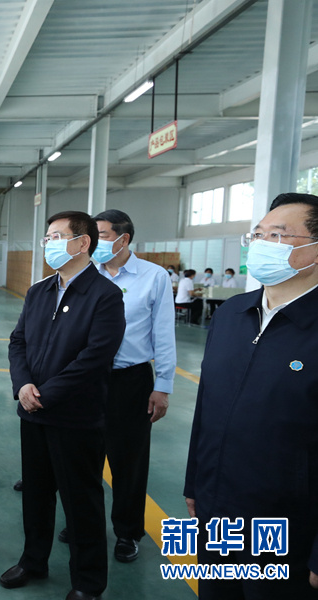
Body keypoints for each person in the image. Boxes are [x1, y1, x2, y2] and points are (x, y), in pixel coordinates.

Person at [184, 192, 318, 599]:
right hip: (217, 511)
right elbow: (207, 408)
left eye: (277, 235)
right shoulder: (232, 314)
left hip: (287, 524)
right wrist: (194, 482)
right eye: (257, 235)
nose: (260, 245)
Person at [1, 210, 125, 600]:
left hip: (75, 418)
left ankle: (88, 582)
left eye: (56, 237)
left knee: (81, 501)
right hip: (33, 413)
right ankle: (33, 560)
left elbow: (95, 358)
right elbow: (18, 342)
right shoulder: (39, 292)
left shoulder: (105, 296)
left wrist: (46, 394)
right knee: (36, 495)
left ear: (82, 242)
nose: (49, 244)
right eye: (48, 238)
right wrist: (23, 385)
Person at [84, 209, 176, 563]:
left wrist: (163, 385)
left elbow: (163, 333)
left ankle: (127, 531)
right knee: (84, 456)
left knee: (129, 461)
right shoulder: (85, 273)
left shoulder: (153, 277)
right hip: (86, 378)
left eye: (103, 235)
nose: (95, 242)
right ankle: (83, 522)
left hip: (130, 380)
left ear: (123, 239)